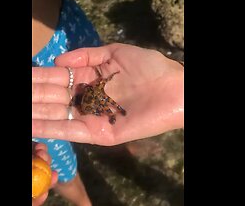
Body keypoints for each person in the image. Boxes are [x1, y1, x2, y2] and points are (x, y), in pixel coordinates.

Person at [31, 0, 121, 205]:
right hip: (38, 97)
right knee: (54, 166)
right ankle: (83, 201)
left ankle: (123, 146)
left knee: (115, 111)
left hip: (63, 24)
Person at [32, 43, 184, 146]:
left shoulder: (95, 92)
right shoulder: (98, 94)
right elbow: (101, 84)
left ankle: (111, 115)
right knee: (106, 101)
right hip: (91, 103)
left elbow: (99, 84)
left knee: (105, 101)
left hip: (90, 103)